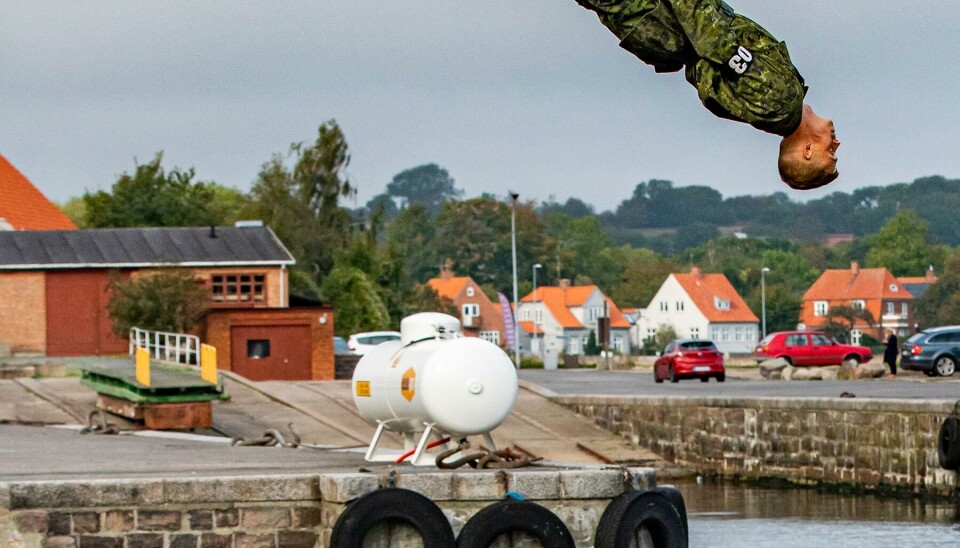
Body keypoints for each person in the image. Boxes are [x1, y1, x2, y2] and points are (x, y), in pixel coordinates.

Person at [574, 0, 841, 190]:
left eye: (829, 153)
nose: (836, 145)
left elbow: (716, 42)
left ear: (807, 150)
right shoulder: (775, 110)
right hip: (650, 20)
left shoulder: (779, 103)